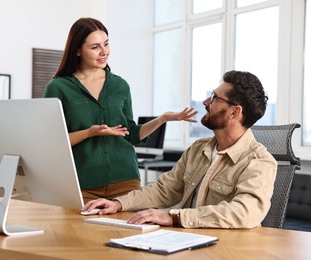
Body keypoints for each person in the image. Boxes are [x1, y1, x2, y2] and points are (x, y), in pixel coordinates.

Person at [82, 70, 278, 229]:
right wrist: (118, 203)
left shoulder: (259, 161)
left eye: (215, 97)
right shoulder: (198, 149)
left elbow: (244, 212)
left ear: (235, 112)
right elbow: (164, 189)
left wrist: (174, 217)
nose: (205, 102)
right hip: (188, 242)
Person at [43, 17, 198, 203]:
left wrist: (162, 119)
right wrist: (89, 133)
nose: (104, 52)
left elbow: (131, 134)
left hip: (126, 181)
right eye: (95, 47)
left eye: (106, 44)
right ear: (77, 50)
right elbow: (54, 142)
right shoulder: (58, 87)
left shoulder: (120, 85)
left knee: (128, 232)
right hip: (83, 184)